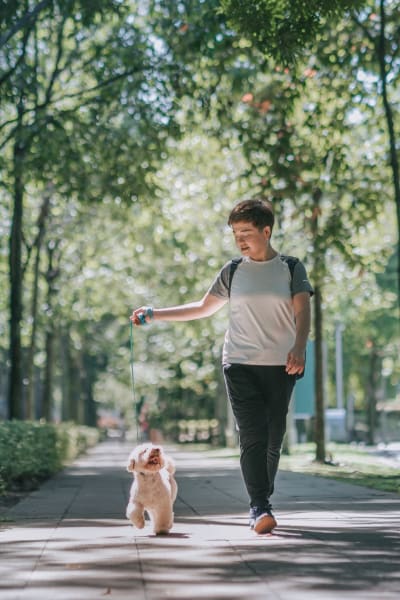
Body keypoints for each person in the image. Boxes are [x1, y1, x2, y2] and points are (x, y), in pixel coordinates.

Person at [131, 198, 313, 534]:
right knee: (253, 434)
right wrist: (156, 313)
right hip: (239, 363)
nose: (240, 240)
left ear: (266, 230)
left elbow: (303, 312)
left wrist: (300, 347)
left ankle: (262, 497)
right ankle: (259, 507)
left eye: (246, 232)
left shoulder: (290, 267)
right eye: (235, 234)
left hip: (280, 364)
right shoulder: (233, 271)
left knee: (274, 436)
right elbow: (202, 307)